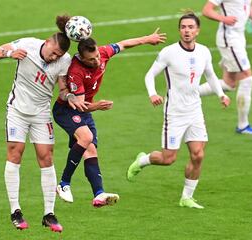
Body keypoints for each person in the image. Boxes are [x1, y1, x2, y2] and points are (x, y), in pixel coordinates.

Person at [0, 15, 87, 232]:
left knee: (46, 157)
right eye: (53, 52)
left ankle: (49, 214)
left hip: (41, 114)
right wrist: (9, 53)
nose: (54, 57)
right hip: (17, 111)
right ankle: (15, 210)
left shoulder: (64, 61)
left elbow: (62, 88)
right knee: (15, 153)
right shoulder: (27, 45)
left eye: (58, 55)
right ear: (47, 42)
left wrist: (71, 98)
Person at [126, 12, 231, 209]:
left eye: (191, 27)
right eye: (183, 27)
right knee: (168, 159)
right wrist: (152, 93)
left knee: (198, 154)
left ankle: (186, 197)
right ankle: (142, 160)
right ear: (179, 30)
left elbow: (211, 75)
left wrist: (221, 95)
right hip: (174, 112)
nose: (187, 31)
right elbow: (149, 75)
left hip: (195, 110)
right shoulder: (169, 52)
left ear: (197, 30)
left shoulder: (204, 52)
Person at [52, 29, 167, 207]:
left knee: (90, 150)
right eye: (91, 59)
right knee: (87, 137)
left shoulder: (103, 53)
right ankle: (63, 183)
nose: (97, 61)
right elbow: (80, 105)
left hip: (84, 110)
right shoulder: (76, 72)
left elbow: (124, 44)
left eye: (97, 55)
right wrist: (97, 106)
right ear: (82, 59)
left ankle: (99, 194)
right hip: (67, 110)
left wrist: (147, 39)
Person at [198, 0, 252, 135]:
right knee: (247, 78)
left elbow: (248, 5)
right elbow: (206, 10)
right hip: (229, 39)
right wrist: (223, 18)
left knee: (229, 83)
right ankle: (243, 126)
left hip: (239, 37)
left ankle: (187, 93)